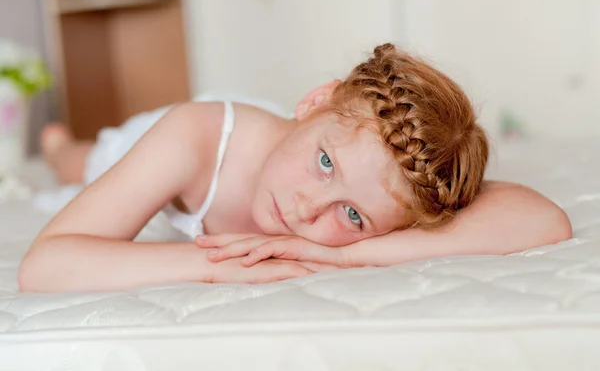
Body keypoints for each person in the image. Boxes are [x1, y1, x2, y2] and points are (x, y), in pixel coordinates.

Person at [18, 44, 571, 292]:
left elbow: (542, 220)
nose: (308, 208)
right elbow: (45, 265)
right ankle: (59, 142)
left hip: (283, 134)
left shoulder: (401, 179)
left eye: (352, 214)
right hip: (168, 139)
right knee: (85, 161)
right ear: (314, 101)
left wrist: (350, 253)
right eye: (325, 163)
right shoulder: (194, 137)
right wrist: (213, 266)